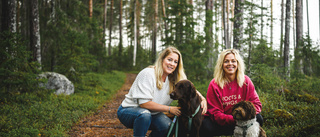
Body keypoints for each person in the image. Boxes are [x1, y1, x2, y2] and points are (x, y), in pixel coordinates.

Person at [117, 46, 207, 137]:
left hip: (153, 114)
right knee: (144, 115)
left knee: (168, 126)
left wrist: (203, 99)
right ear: (162, 60)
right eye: (169, 59)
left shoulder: (173, 79)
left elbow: (191, 88)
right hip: (129, 111)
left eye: (175, 62)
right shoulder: (148, 74)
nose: (172, 64)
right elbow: (144, 104)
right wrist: (169, 109)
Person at [200, 49, 263, 136]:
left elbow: (257, 104)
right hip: (222, 122)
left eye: (233, 61)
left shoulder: (246, 81)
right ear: (221, 64)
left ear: (238, 63)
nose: (230, 64)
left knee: (259, 118)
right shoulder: (214, 84)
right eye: (226, 61)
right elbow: (215, 113)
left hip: (242, 120)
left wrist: (244, 116)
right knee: (206, 125)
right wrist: (234, 119)